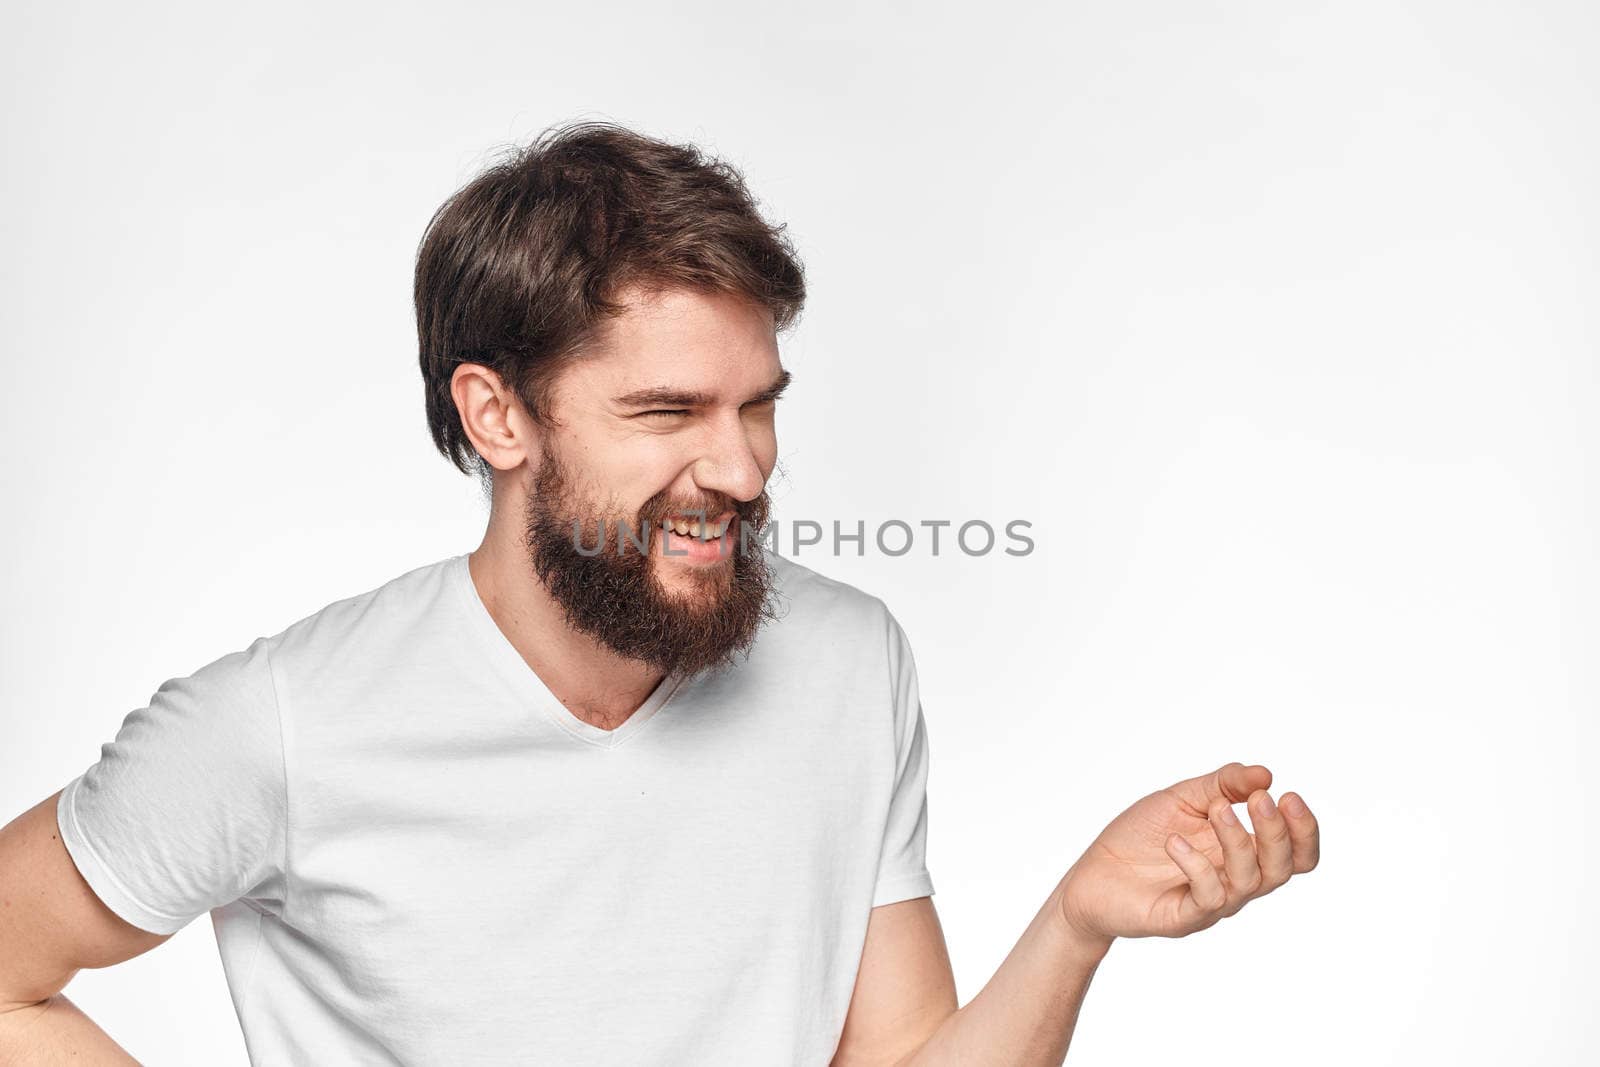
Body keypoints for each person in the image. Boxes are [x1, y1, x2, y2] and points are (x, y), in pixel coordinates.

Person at [0, 122, 1321, 1065]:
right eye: (668, 411)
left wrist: (1078, 920)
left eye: (758, 407)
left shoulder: (847, 665)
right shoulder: (284, 723)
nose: (742, 468)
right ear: (498, 413)